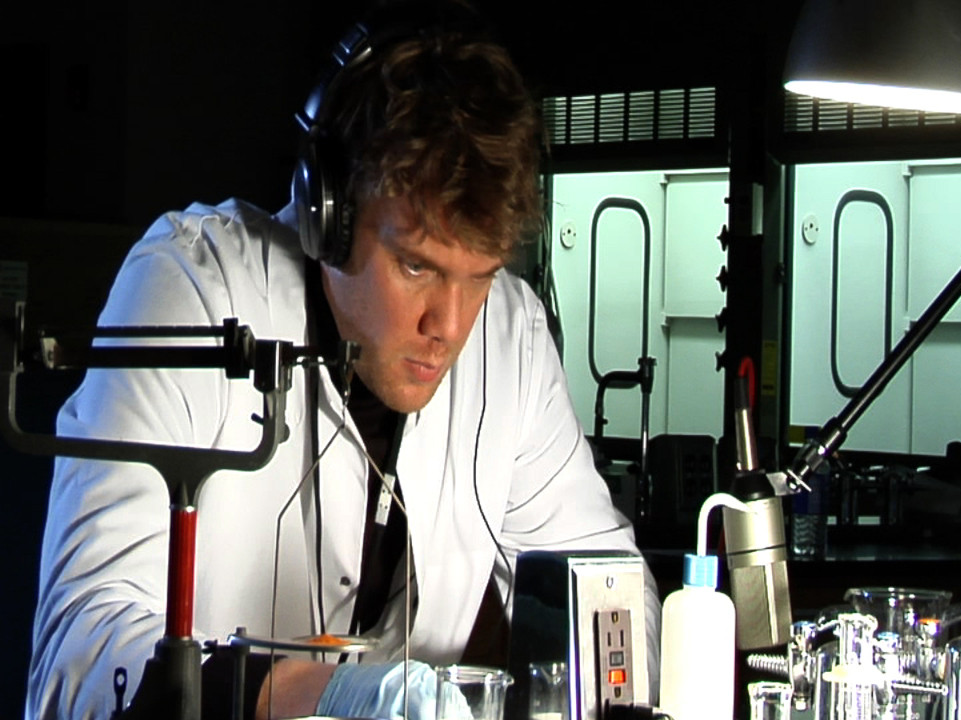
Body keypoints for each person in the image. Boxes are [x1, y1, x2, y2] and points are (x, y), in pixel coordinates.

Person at [25, 2, 660, 718]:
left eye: (479, 276)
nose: (449, 326)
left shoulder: (511, 333)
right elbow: (79, 657)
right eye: (416, 267)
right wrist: (325, 698)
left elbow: (609, 589)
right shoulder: (193, 287)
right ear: (330, 214)